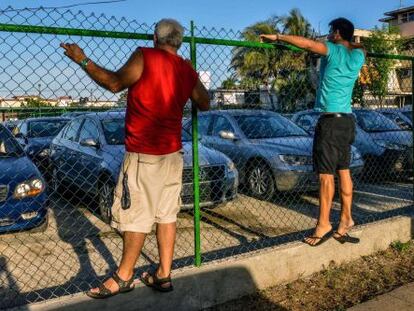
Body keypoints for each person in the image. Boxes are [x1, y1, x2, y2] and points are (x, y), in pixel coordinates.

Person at [61, 18, 210, 298]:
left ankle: (124, 276)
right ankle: (164, 273)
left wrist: (82, 60)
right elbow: (204, 102)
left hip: (144, 154)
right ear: (177, 42)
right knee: (167, 215)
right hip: (172, 153)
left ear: (156, 37)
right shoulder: (185, 67)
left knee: (135, 218)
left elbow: (115, 83)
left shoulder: (145, 55)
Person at [260, 18, 365, 246]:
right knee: (344, 171)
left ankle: (324, 224)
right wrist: (349, 43)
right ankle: (346, 219)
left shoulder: (334, 51)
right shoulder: (358, 56)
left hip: (330, 122)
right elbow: (358, 46)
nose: (327, 35)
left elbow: (307, 45)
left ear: (337, 33)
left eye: (330, 31)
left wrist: (278, 37)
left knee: (325, 176)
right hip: (347, 121)